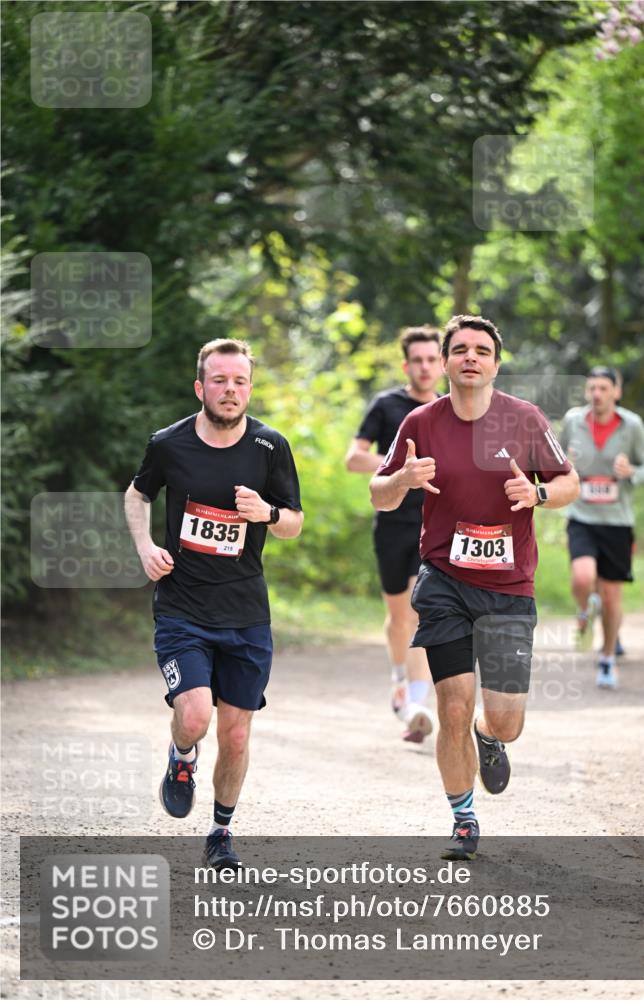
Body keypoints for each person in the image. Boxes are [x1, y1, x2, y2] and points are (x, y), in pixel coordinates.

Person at [369, 315, 579, 860]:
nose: (470, 357)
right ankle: (463, 818)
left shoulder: (525, 419)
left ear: (496, 365)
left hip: (509, 588)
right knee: (453, 707)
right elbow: (378, 492)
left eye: (482, 351)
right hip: (444, 582)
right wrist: (402, 480)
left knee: (505, 721)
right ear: (444, 362)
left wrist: (537, 495)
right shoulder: (420, 422)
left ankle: (490, 738)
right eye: (460, 349)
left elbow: (569, 481)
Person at [125, 338, 303, 870]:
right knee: (196, 715)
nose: (230, 390)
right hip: (183, 608)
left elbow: (294, 522)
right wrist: (145, 547)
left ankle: (221, 833)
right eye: (220, 381)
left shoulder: (270, 447)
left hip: (246, 613)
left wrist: (268, 514)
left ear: (250, 387)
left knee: (237, 732)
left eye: (240, 381)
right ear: (200, 387)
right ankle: (182, 756)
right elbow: (137, 494)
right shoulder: (169, 444)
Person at [346, 326, 442, 743]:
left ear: (442, 364)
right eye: (417, 360)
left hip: (434, 526)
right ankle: (400, 679)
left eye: (432, 359)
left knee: (422, 611)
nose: (424, 367)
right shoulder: (386, 406)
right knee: (399, 616)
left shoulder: (450, 410)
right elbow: (354, 458)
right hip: (391, 523)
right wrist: (400, 468)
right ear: (406, 365)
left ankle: (416, 706)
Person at [560, 365, 644, 688]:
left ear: (617, 391)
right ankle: (584, 611)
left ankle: (607, 657)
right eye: (592, 388)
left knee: (612, 596)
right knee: (582, 577)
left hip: (617, 521)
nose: (597, 394)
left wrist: (631, 472)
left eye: (603, 388)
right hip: (582, 515)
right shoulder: (573, 421)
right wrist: (565, 466)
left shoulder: (632, 425)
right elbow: (553, 459)